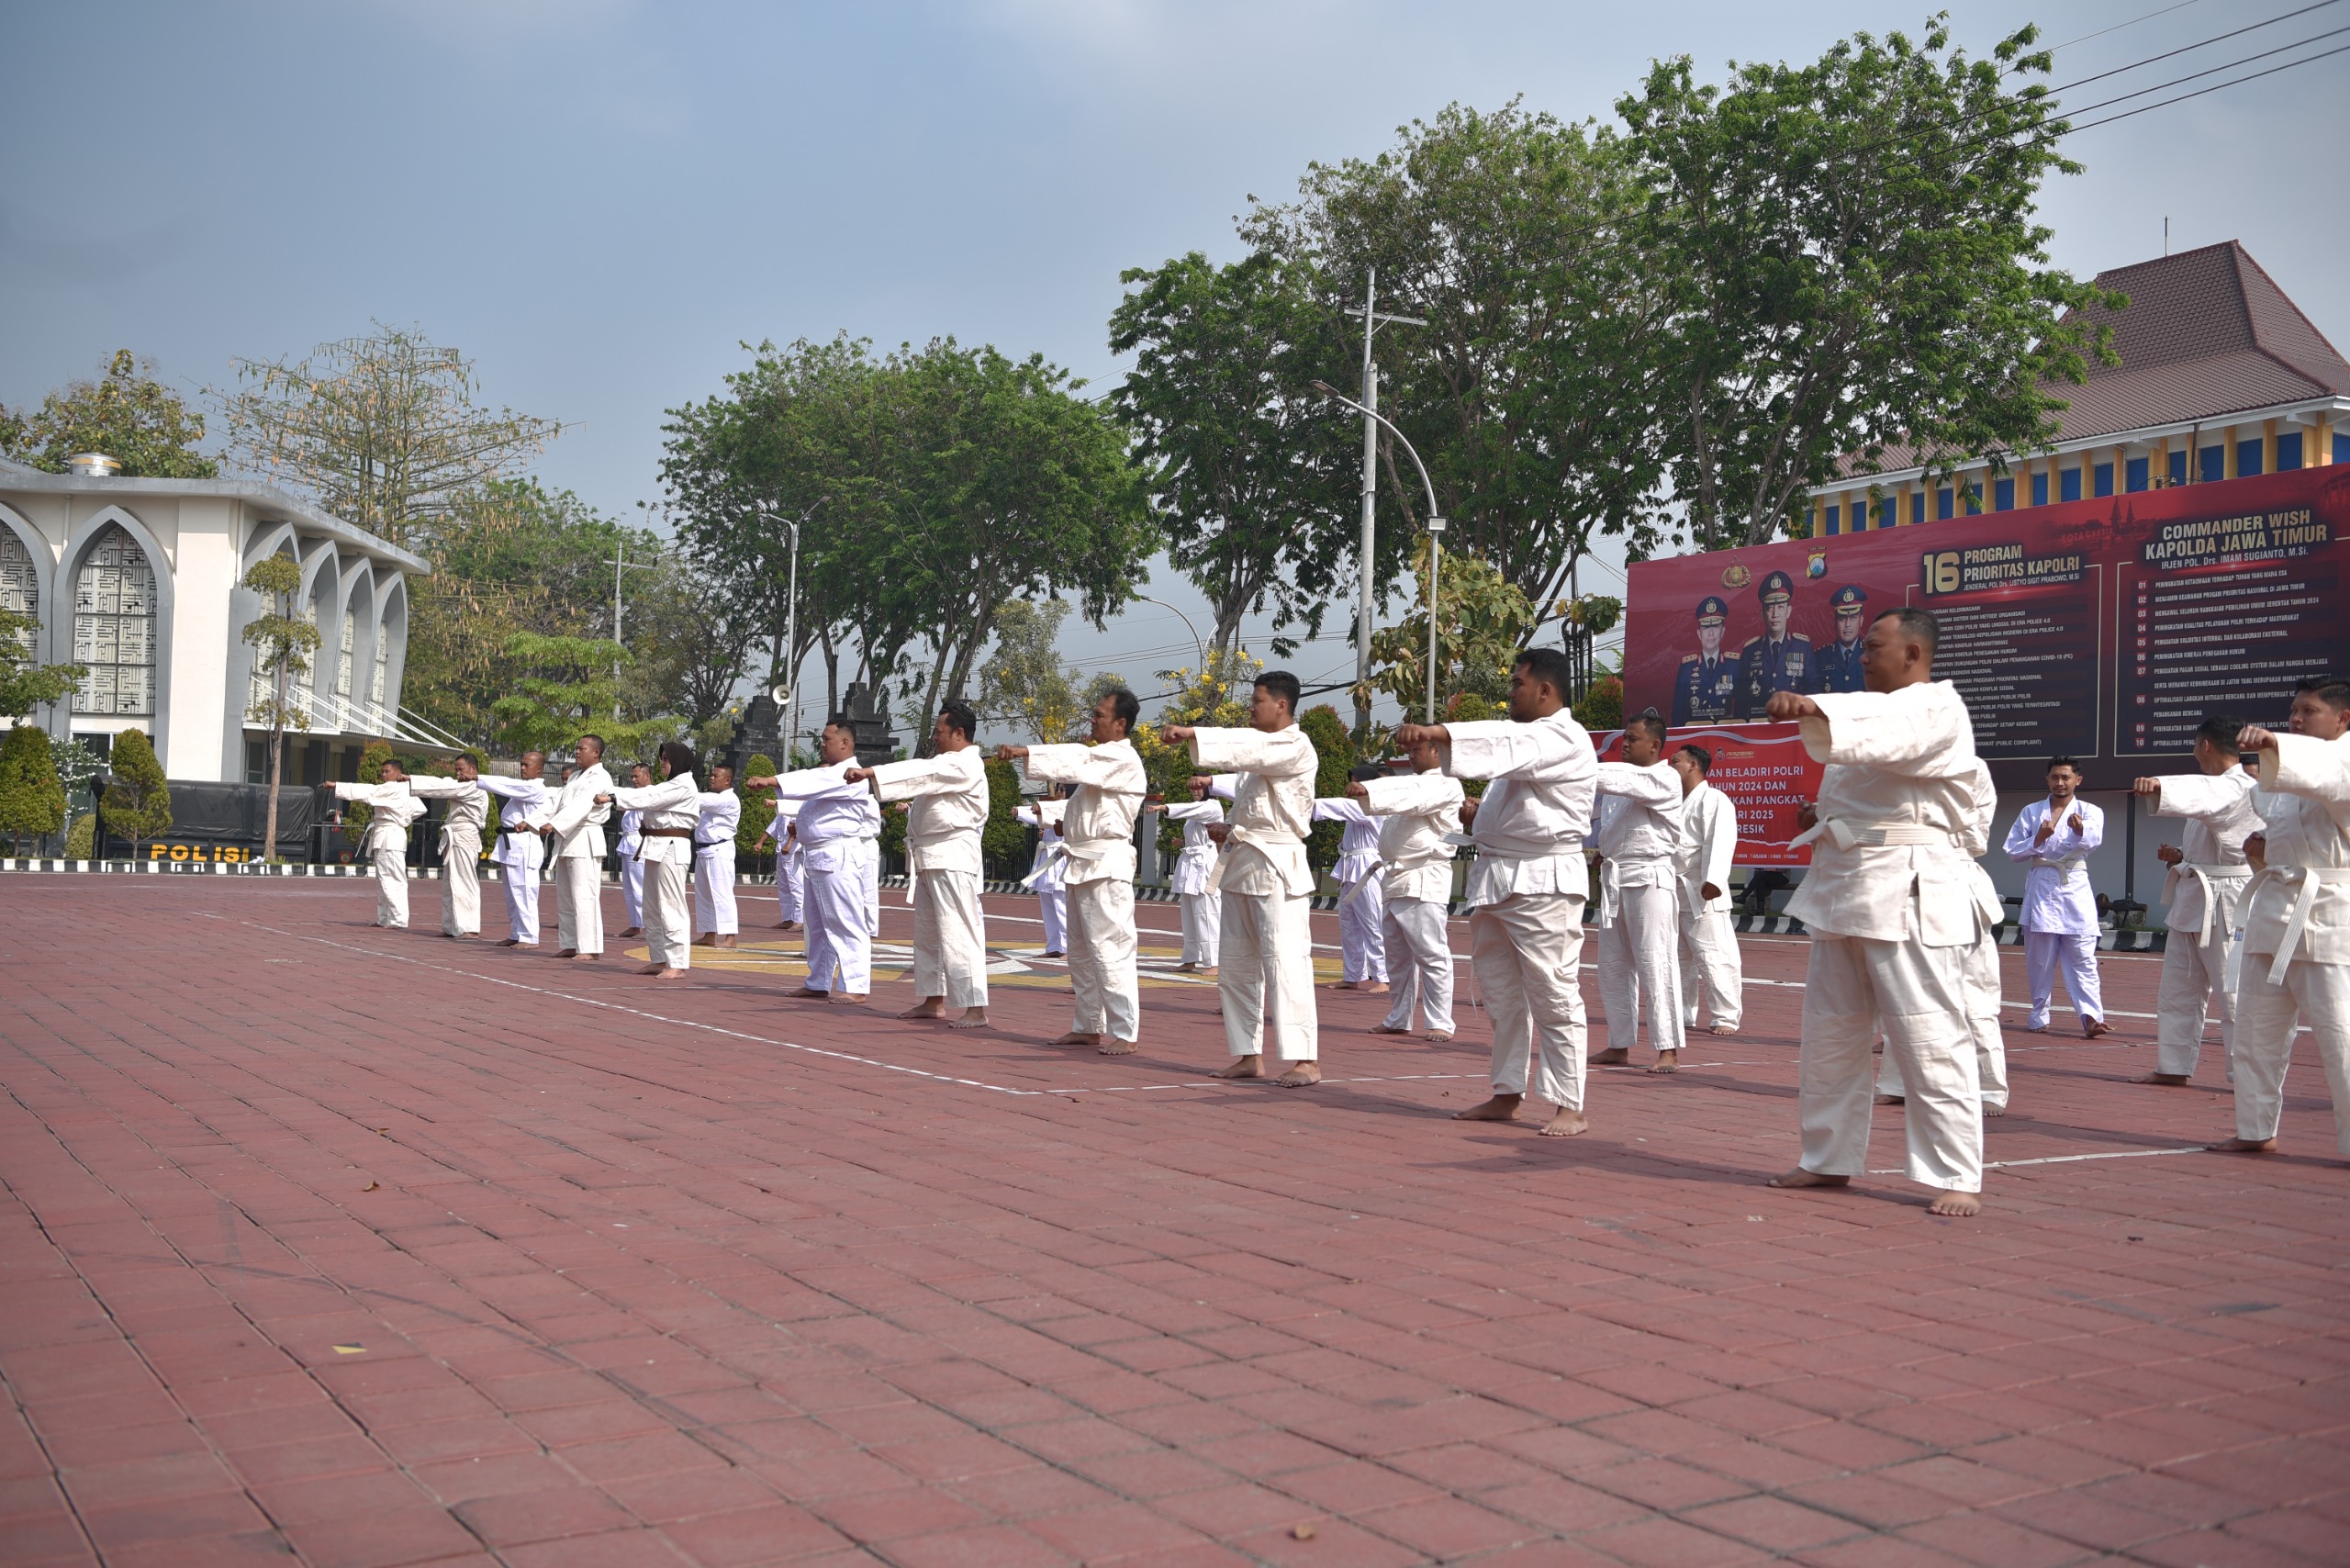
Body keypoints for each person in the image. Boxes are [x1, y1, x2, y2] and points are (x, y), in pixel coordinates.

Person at [1763, 606, 1991, 1218]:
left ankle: (1957, 1172)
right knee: (1831, 1035)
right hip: (1846, 885)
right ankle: (1827, 1158)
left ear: (1914, 654)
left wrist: (1816, 706)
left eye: (1875, 647)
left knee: (1927, 1033)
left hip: (1910, 887)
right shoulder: (1870, 717)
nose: (1863, 657)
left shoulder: (1937, 706)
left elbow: (1892, 727)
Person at [1397, 648, 1600, 1136]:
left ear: (1545, 691)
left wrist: (1439, 732)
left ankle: (1569, 1103)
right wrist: (1478, 817)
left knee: (1553, 991)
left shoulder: (1561, 735)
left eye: (1517, 684)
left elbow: (1508, 742)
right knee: (1502, 995)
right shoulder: (1534, 743)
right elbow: (1519, 794)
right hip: (1500, 878)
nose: (1511, 692)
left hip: (1543, 881)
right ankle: (1507, 1092)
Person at [2212, 676, 2350, 1159]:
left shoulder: (2343, 762)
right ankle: (2255, 1128)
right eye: (2293, 711)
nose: (2295, 719)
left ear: (2344, 719)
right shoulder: (2277, 781)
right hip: (2275, 910)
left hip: (2332, 915)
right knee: (2255, 1032)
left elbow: (2329, 777)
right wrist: (2262, 860)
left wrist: (2276, 744)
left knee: (2341, 1036)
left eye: (2308, 711)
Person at [1162, 670, 1322, 1085]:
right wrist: (1229, 829)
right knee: (1236, 966)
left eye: (1257, 701)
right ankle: (1249, 1054)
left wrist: (1193, 733)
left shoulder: (1295, 745)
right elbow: (1253, 795)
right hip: (1242, 863)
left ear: (1282, 705)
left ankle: (1305, 1059)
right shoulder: (1261, 757)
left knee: (1286, 963)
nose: (1251, 708)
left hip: (1277, 867)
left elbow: (1250, 751)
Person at [1001, 688, 1148, 1053]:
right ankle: (1088, 1024)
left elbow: (1079, 758)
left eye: (1099, 715)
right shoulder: (1099, 768)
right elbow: (1081, 808)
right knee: (1081, 952)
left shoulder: (1120, 759)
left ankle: (1125, 1032)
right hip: (1082, 863)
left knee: (1111, 948)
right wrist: (1060, 820)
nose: (1092, 720)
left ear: (1120, 724)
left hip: (1105, 866)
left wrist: (1027, 752)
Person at [2132, 719, 2258, 1087]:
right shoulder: (2219, 790)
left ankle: (2246, 1076)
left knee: (2232, 992)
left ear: (2205, 745)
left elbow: (2208, 794)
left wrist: (2160, 785)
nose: (2194, 753)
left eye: (2194, 746)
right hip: (2195, 894)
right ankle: (2172, 1065)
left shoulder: (2239, 787)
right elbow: (2215, 833)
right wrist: (2182, 855)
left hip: (2229, 901)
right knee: (2178, 988)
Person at [856, 701, 991, 1028]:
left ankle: (975, 1008)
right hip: (930, 856)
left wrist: (872, 772)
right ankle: (933, 1000)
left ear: (960, 734)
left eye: (939, 732)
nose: (934, 737)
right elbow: (925, 775)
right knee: (929, 934)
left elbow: (922, 771)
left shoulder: (965, 765)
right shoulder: (946, 765)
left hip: (954, 856)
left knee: (960, 931)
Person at [747, 718, 881, 1002]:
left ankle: (855, 986)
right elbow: (812, 797)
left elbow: (815, 780)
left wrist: (772, 780)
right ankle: (819, 981)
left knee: (846, 922)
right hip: (818, 855)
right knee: (818, 925)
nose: (821, 743)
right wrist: (779, 803)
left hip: (837, 855)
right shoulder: (833, 776)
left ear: (845, 743)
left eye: (826, 739)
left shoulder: (850, 774)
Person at [1586, 711, 1689, 1072]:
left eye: (1632, 738)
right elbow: (1616, 824)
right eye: (1624, 738)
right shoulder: (1623, 781)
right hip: (1616, 877)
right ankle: (1619, 1043)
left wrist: (1566, 765)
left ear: (1655, 745)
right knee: (1612, 967)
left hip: (1649, 879)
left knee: (1656, 962)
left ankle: (1669, 1047)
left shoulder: (1664, 777)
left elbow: (1617, 780)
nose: (1625, 744)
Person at [1349, 734, 1464, 1041]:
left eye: (1417, 750)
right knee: (1397, 958)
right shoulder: (1413, 785)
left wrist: (1369, 788)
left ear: (1437, 752)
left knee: (1430, 953)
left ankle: (1440, 1021)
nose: (1412, 756)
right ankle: (1399, 1017)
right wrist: (1371, 789)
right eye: (1410, 751)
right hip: (1396, 877)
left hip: (1424, 877)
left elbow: (1415, 794)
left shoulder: (1444, 784)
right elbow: (1405, 790)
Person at [2005, 756, 2109, 1036]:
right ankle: (2039, 1014)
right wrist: (2038, 839)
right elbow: (2012, 851)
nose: (2060, 783)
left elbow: (2094, 840)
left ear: (2078, 780)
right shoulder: (2032, 811)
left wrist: (2080, 830)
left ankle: (2091, 1017)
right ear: (2047, 780)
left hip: (2075, 885)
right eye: (2054, 777)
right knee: (2040, 959)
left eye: (2065, 777)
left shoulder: (2090, 811)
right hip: (2042, 886)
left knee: (2083, 956)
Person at [598, 743, 699, 979]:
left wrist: (613, 797)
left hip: (672, 847)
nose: (662, 762)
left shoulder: (684, 784)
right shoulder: (671, 784)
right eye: (661, 757)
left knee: (671, 905)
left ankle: (677, 963)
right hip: (654, 846)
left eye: (666, 758)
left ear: (679, 760)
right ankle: (659, 958)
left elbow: (650, 795)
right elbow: (650, 795)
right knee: (652, 905)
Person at [1669, 743, 1742, 1035]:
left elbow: (1721, 841)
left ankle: (1725, 1015)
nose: (1670, 766)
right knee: (1677, 959)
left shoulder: (1714, 799)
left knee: (1713, 955)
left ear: (1693, 765)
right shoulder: (1672, 801)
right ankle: (1683, 1013)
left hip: (1701, 889)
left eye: (1676, 761)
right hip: (1672, 889)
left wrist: (1713, 880)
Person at [532, 735, 612, 960]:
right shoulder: (575, 776)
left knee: (584, 895)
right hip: (566, 838)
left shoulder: (601, 776)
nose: (577, 752)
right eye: (576, 748)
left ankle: (589, 948)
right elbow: (556, 803)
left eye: (582, 748)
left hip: (585, 837)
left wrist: (554, 824)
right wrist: (532, 821)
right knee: (566, 895)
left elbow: (581, 807)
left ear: (596, 752)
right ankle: (570, 943)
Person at [1312, 767, 1390, 991]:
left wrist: (1311, 803)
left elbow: (1342, 807)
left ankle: (1383, 977)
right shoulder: (1356, 809)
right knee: (1349, 924)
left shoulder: (1372, 806)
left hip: (1368, 869)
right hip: (1349, 867)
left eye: (1356, 783)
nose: (1351, 788)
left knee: (1373, 923)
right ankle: (1353, 975)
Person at [327, 760, 425, 929]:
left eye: (387, 771)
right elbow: (420, 809)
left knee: (393, 879)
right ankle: (385, 918)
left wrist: (337, 786)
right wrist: (404, 818)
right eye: (383, 771)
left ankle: (398, 919)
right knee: (383, 880)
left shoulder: (393, 788)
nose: (384, 775)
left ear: (398, 773)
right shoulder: (405, 790)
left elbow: (367, 791)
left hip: (391, 834)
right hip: (387, 833)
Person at [405, 756, 488, 939]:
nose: (458, 773)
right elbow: (445, 782)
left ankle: (470, 927)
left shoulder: (474, 786)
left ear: (473, 769)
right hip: (455, 835)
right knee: (450, 883)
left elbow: (443, 786)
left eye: (462, 769)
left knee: (465, 880)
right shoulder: (461, 786)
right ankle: (452, 925)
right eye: (456, 770)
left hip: (465, 836)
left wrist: (413, 779)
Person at [477, 754, 549, 946]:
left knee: (524, 890)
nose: (523, 768)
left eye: (527, 765)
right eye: (522, 765)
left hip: (524, 843)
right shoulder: (524, 787)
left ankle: (529, 936)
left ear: (539, 769)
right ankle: (516, 932)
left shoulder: (535, 788)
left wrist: (478, 778)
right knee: (511, 893)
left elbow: (507, 785)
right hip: (511, 842)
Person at [1152, 789, 1224, 973]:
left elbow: (1194, 810)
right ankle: (1190, 959)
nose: (1194, 791)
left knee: (1208, 914)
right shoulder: (1196, 812)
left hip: (1206, 865)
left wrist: (1164, 807)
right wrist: (1183, 842)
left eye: (1199, 787)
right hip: (1191, 864)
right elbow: (1198, 834)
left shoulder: (1212, 807)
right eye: (1192, 788)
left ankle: (1214, 962)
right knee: (1190, 915)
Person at [1734, 570, 1815, 718]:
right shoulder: (1750, 650)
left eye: (1780, 607)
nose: (1774, 614)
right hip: (1759, 727)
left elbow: (1814, 691)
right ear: (1762, 613)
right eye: (1770, 607)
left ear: (1788, 611)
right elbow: (1742, 699)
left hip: (1793, 725)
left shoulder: (1803, 647)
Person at [691, 763, 743, 950]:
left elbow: (699, 800)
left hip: (720, 850)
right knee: (704, 895)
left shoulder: (728, 800)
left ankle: (730, 937)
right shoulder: (713, 801)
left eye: (716, 776)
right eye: (711, 775)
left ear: (728, 780)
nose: (711, 778)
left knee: (722, 893)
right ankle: (709, 934)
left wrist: (681, 791)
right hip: (704, 850)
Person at [1015, 790, 1069, 957]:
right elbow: (1037, 815)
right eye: (1058, 789)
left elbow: (1040, 815)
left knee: (1062, 907)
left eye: (1062, 789)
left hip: (1060, 857)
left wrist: (1021, 813)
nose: (1059, 792)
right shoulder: (1052, 807)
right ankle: (1053, 947)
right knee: (1048, 906)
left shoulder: (1069, 806)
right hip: (1046, 857)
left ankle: (1068, 948)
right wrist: (1019, 810)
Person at [1672, 597, 1740, 724]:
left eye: (1716, 626)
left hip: (1726, 735)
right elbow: (1678, 713)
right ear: (1699, 633)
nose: (1711, 634)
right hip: (1694, 737)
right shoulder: (1687, 668)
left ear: (1723, 631)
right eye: (1706, 628)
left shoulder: (1734, 665)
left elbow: (1741, 708)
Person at [1813, 585, 1869, 694]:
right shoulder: (1820, 658)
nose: (1848, 624)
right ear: (1835, 622)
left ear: (1861, 620)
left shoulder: (1873, 656)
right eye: (1842, 619)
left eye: (1853, 618)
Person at [615, 764, 650, 937]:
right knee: (629, 888)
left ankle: (647, 924)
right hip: (628, 841)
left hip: (639, 842)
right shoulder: (633, 795)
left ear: (647, 776)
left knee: (640, 886)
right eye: (633, 777)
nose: (634, 780)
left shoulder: (650, 793)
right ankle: (635, 923)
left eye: (637, 776)